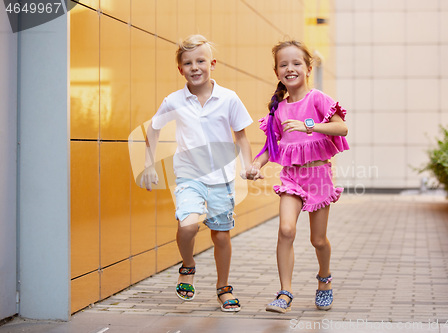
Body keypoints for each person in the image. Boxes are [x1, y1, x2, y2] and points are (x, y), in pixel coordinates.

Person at [140, 34, 254, 312]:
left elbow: (241, 137)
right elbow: (153, 128)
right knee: (188, 225)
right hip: (189, 176)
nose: (195, 67)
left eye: (200, 61)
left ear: (212, 63)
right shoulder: (174, 100)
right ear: (180, 69)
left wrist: (248, 166)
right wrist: (148, 164)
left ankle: (223, 288)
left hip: (221, 179)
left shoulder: (229, 98)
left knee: (221, 236)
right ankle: (188, 265)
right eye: (188, 63)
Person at [248, 40, 349, 313]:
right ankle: (285, 293)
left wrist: (310, 126)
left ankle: (324, 279)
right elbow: (270, 148)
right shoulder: (278, 110)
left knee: (318, 240)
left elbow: (342, 128)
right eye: (283, 64)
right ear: (276, 71)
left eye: (296, 63)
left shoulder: (317, 99)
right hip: (292, 177)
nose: (290, 68)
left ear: (307, 68)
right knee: (286, 230)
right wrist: (256, 166)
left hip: (318, 175)